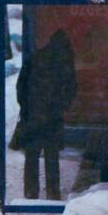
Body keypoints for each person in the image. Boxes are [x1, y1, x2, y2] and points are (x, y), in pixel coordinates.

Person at [16, 30, 77, 200]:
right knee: (52, 157)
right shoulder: (64, 62)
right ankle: (53, 192)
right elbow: (71, 88)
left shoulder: (36, 57)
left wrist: (26, 108)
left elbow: (21, 86)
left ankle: (31, 192)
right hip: (52, 117)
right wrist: (61, 106)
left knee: (32, 156)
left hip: (34, 115)